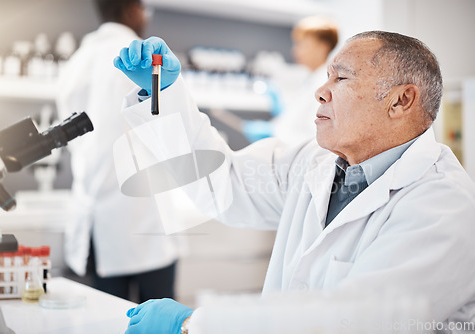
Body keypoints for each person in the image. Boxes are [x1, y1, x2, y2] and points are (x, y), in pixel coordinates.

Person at [114, 31, 475, 332]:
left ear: (400, 100)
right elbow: (222, 183)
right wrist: (164, 93)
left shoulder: (444, 207)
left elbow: (352, 322)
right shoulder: (313, 164)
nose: (320, 91)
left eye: (341, 77)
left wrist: (194, 324)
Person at [56, 0, 182, 303]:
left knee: (108, 316)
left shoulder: (79, 59)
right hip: (143, 214)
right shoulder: (139, 56)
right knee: (158, 318)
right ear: (132, 10)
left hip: (95, 214)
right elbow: (170, 131)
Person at [243, 16, 339, 144]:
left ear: (323, 46)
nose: (295, 50)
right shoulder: (312, 78)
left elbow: (313, 136)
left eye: (302, 44)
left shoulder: (324, 83)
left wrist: (274, 133)